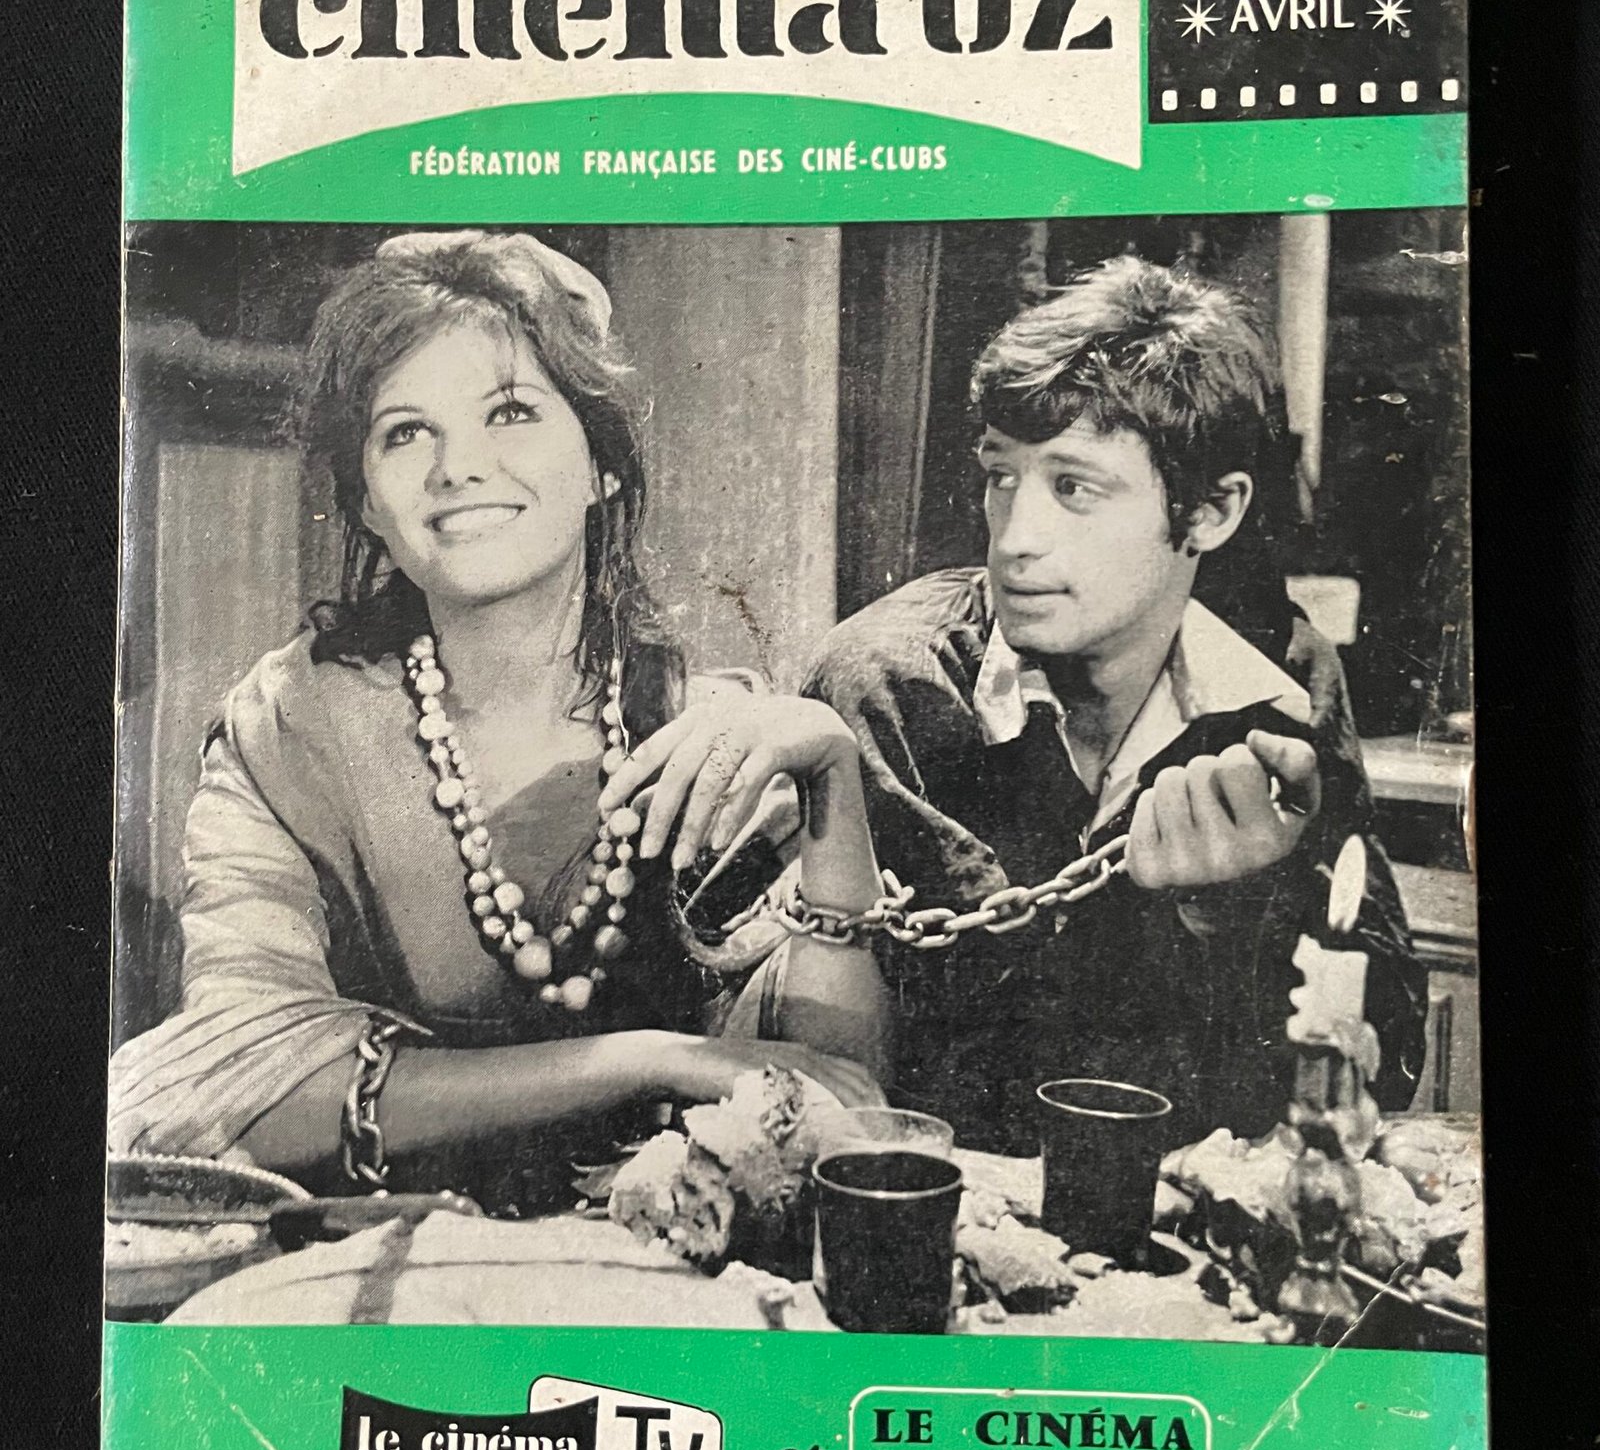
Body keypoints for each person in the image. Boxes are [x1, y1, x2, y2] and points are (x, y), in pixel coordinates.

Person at [110, 230, 887, 1207]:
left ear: (602, 465)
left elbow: (840, 1098)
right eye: (405, 432)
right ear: (366, 505)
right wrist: (650, 1058)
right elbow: (249, 1089)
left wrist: (832, 782)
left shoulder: (697, 723)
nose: (457, 467)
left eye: (510, 412)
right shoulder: (284, 732)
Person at [805, 254, 1427, 1156]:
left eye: (1074, 486)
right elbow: (870, 1084)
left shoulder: (1280, 685)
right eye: (1002, 476)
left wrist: (1241, 914)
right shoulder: (888, 684)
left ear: (1209, 512)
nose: (1015, 540)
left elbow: (1387, 1056)